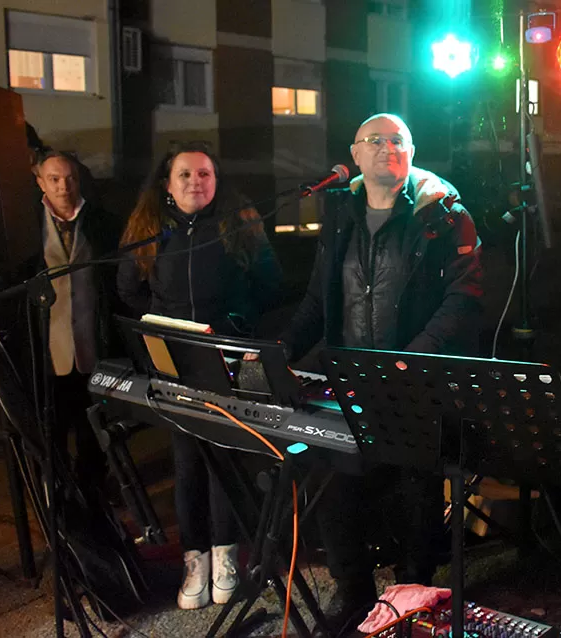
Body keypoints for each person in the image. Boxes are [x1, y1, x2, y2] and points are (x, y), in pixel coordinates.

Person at [282, 113, 484, 632]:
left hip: (416, 380)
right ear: (355, 154)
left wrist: (411, 359)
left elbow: (464, 296)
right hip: (349, 377)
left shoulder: (443, 213)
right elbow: (317, 299)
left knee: (417, 490)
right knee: (331, 481)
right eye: (374, 140)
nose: (387, 147)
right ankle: (353, 592)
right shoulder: (340, 214)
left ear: (411, 152)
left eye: (398, 140)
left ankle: (412, 596)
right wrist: (280, 352)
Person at [117, 143, 284, 610]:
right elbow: (127, 287)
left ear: (217, 179)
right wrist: (162, 323)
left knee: (223, 459)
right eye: (186, 174)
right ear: (167, 184)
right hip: (174, 360)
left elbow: (271, 286)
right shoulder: (149, 227)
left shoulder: (240, 221)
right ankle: (195, 559)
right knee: (186, 460)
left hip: (223, 357)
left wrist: (236, 325)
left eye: (205, 173)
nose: (196, 182)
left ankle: (225, 554)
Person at [35, 150, 118, 487]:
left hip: (93, 346)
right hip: (49, 350)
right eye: (54, 179)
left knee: (93, 432)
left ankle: (93, 491)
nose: (63, 186)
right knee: (51, 431)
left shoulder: (104, 223)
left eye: (69, 178)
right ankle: (58, 495)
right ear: (40, 182)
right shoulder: (26, 226)